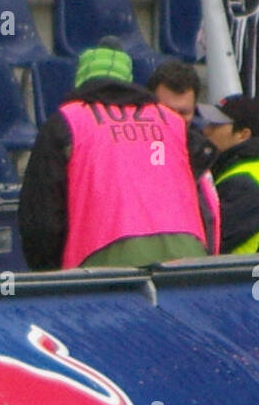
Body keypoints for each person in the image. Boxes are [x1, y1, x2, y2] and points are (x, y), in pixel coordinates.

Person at [18, 38, 216, 269]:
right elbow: (205, 200)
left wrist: (50, 274)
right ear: (129, 81)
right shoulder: (171, 121)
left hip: (105, 262)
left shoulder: (67, 122)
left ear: (81, 81)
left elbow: (42, 219)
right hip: (188, 253)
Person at [146, 60, 221, 253]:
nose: (174, 119)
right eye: (167, 111)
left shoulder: (203, 153)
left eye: (183, 112)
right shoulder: (138, 154)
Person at [198, 95, 259, 254]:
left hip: (242, 276)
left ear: (243, 134)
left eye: (216, 125)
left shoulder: (245, 182)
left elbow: (212, 243)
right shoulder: (238, 167)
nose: (206, 130)